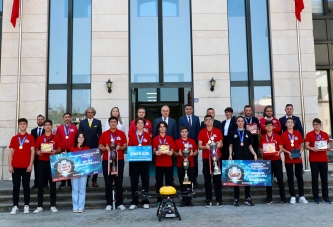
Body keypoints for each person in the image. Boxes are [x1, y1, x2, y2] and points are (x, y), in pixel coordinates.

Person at [99, 116, 127, 211]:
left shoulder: (121, 134)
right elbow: (100, 146)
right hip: (107, 160)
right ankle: (109, 203)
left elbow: (125, 146)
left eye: (115, 122)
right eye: (111, 122)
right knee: (108, 182)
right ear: (109, 123)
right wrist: (105, 149)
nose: (113, 123)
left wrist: (120, 148)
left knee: (119, 182)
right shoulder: (104, 134)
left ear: (117, 123)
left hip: (119, 160)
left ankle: (119, 203)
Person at [8, 118, 35, 214]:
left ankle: (26, 205)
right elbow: (10, 152)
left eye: (24, 124)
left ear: (27, 125)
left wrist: (30, 165)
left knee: (26, 186)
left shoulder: (30, 137)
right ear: (19, 126)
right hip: (15, 166)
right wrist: (10, 165)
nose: (22, 125)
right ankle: (15, 206)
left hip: (26, 166)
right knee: (16, 186)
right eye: (21, 124)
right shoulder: (14, 138)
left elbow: (32, 152)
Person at [33, 119, 61, 214]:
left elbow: (60, 149)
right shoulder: (40, 138)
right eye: (46, 125)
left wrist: (55, 152)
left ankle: (53, 205)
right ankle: (39, 206)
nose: (48, 126)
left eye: (49, 125)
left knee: (52, 184)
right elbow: (36, 151)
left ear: (51, 126)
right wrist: (38, 153)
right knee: (40, 184)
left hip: (52, 162)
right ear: (44, 127)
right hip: (41, 162)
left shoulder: (56, 137)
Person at [228, 116, 257, 206]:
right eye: (238, 121)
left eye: (242, 121)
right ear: (236, 122)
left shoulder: (248, 132)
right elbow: (230, 146)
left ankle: (247, 198)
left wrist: (255, 154)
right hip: (236, 157)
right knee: (236, 178)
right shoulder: (232, 133)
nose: (240, 122)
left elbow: (250, 146)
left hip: (247, 158)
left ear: (244, 123)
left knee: (247, 179)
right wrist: (230, 155)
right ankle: (236, 198)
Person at [281, 117, 308, 204]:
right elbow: (281, 148)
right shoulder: (283, 134)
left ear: (293, 124)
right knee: (290, 178)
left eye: (291, 122)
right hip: (289, 159)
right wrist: (288, 152)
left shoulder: (298, 134)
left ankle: (301, 196)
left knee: (299, 177)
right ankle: (292, 196)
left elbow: (302, 145)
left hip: (298, 159)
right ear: (286, 124)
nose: (289, 124)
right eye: (288, 122)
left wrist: (300, 152)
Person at [198, 114, 223, 207]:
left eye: (210, 119)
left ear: (213, 121)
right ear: (204, 122)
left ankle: (219, 200)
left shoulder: (218, 131)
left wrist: (219, 145)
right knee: (207, 180)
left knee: (217, 179)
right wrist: (205, 147)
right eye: (206, 120)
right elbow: (199, 146)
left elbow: (221, 144)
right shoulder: (201, 132)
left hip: (216, 158)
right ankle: (208, 200)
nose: (208, 121)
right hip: (206, 158)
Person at [259, 121, 287, 204]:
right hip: (267, 161)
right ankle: (269, 198)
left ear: (273, 127)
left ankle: (283, 198)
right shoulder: (263, 137)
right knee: (268, 180)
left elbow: (281, 148)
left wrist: (279, 152)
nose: (269, 127)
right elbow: (261, 148)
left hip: (277, 160)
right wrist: (262, 152)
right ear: (265, 127)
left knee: (280, 179)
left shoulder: (277, 136)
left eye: (270, 126)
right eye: (267, 126)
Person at [305, 118, 331, 204]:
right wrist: (312, 148)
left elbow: (328, 144)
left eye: (318, 124)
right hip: (314, 160)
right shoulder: (309, 134)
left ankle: (325, 197)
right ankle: (315, 197)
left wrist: (328, 147)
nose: (317, 126)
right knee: (315, 179)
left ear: (321, 125)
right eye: (315, 124)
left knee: (324, 179)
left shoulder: (325, 134)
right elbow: (306, 146)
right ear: (313, 125)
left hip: (323, 159)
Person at [128, 118, 152, 210]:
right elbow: (129, 147)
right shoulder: (132, 135)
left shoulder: (147, 135)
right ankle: (134, 201)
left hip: (145, 162)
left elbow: (149, 147)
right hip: (134, 162)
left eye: (142, 123)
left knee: (145, 181)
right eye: (139, 123)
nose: (140, 124)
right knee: (134, 182)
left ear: (144, 125)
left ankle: (145, 201)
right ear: (136, 125)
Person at [78, 107, 102, 187]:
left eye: (92, 112)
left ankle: (94, 181)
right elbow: (79, 135)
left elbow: (100, 135)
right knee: (86, 164)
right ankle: (86, 181)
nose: (90, 113)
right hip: (85, 146)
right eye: (88, 112)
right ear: (86, 113)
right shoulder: (82, 122)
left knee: (95, 165)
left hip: (95, 146)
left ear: (94, 113)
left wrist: (100, 145)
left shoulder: (98, 122)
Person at [174, 126, 198, 207]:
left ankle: (189, 200)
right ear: (180, 133)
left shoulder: (192, 141)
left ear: (188, 132)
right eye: (182, 132)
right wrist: (179, 154)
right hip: (180, 165)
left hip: (190, 165)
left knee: (189, 182)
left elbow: (196, 152)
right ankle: (184, 200)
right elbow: (174, 153)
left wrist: (192, 153)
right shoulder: (177, 142)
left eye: (185, 131)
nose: (184, 133)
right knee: (182, 183)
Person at [153, 121, 175, 203]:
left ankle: (169, 198)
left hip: (168, 163)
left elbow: (172, 149)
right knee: (159, 182)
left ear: (166, 128)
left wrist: (171, 152)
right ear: (158, 128)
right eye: (160, 127)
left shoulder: (170, 138)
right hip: (159, 163)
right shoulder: (155, 139)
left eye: (164, 127)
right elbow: (154, 150)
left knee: (169, 181)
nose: (162, 128)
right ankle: (159, 198)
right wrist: (156, 152)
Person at [178, 104, 200, 185]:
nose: (188, 110)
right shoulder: (181, 119)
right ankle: (185, 177)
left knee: (194, 160)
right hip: (183, 143)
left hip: (193, 143)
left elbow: (198, 131)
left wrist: (198, 143)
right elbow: (179, 130)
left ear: (192, 110)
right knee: (184, 160)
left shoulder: (196, 118)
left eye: (190, 109)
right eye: (187, 109)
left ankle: (194, 178)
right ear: (185, 110)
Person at [56, 113, 78, 189]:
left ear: (71, 118)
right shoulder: (59, 128)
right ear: (63, 119)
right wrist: (58, 148)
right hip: (62, 149)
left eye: (68, 117)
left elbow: (76, 138)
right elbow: (57, 138)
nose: (67, 118)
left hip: (71, 149)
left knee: (70, 166)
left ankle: (69, 182)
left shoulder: (74, 127)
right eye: (65, 117)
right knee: (63, 166)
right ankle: (62, 182)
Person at [70, 133, 90, 212]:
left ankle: (81, 207)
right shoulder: (72, 148)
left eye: (82, 137)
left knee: (82, 189)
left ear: (84, 139)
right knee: (75, 189)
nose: (81, 139)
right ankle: (75, 206)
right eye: (79, 137)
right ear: (76, 138)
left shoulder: (87, 148)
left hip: (83, 171)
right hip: (74, 172)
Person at [30, 114, 47, 190]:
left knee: (45, 169)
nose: (40, 120)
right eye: (38, 119)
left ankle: (45, 184)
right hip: (36, 153)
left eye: (41, 119)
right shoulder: (33, 131)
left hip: (45, 152)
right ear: (37, 121)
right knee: (36, 169)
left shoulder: (46, 130)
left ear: (44, 120)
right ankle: (36, 183)